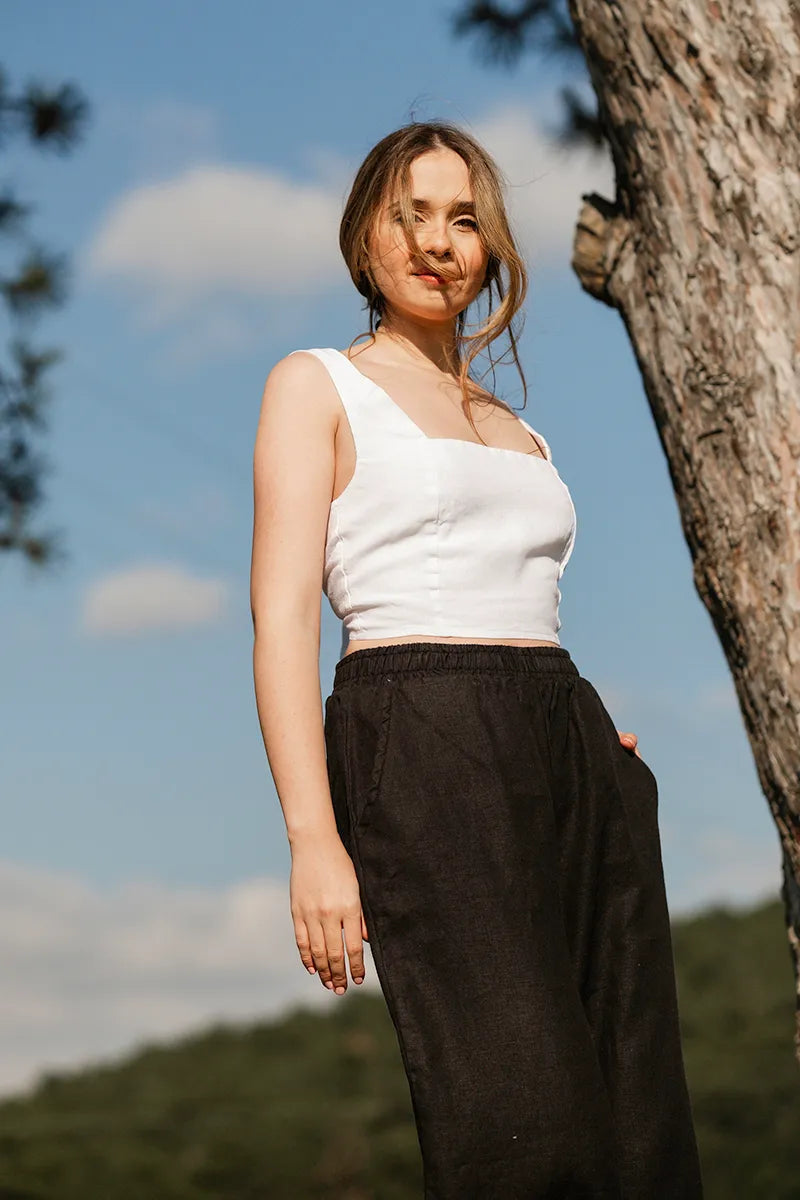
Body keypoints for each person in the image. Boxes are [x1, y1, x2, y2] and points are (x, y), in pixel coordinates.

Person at [250, 120, 703, 1199]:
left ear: (491, 251)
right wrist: (313, 839)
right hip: (418, 737)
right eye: (411, 214)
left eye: (464, 220)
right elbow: (280, 622)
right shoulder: (316, 384)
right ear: (364, 234)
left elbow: (518, 602)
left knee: (635, 1120)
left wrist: (584, 739)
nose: (437, 241)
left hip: (566, 742)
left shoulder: (516, 429)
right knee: (520, 1123)